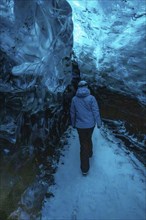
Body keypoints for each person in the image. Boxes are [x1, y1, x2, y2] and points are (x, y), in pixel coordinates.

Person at [70, 80, 102, 176]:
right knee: (88, 138)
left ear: (78, 87)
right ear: (87, 87)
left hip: (80, 126)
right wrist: (99, 123)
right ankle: (90, 153)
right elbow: (96, 111)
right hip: (90, 125)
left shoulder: (74, 99)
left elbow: (72, 113)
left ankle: (85, 169)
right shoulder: (91, 98)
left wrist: (73, 123)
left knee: (83, 143)